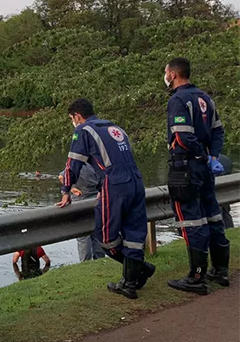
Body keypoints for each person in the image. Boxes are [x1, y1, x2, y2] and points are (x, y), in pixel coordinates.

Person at [58, 99, 155, 299]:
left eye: (71, 119)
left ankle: (139, 271)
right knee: (134, 235)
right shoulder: (114, 127)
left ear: (77, 116)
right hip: (136, 181)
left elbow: (73, 163)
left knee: (105, 237)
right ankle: (131, 280)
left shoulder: (83, 130)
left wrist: (66, 190)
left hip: (115, 185)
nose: (73, 123)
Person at [163, 58, 230, 293]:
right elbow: (218, 129)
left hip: (186, 168)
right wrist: (213, 156)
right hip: (205, 168)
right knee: (212, 216)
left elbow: (182, 136)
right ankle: (221, 270)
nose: (166, 76)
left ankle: (197, 276)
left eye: (166, 72)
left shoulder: (178, 100)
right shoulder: (205, 98)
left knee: (191, 220)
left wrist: (201, 155)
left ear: (173, 74)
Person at [59, 164, 106, 262]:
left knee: (83, 237)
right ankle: (100, 260)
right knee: (97, 232)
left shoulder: (76, 164)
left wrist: (71, 188)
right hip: (96, 200)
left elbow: (61, 176)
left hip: (80, 202)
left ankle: (85, 262)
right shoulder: (96, 163)